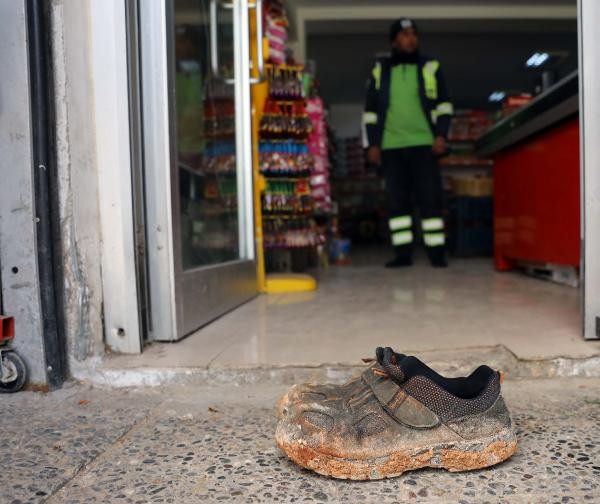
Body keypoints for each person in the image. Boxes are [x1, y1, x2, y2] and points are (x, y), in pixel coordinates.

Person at [363, 18, 453, 268]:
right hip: (390, 147)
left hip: (424, 144)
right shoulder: (380, 69)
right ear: (394, 40)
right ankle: (403, 254)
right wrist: (373, 144)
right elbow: (370, 110)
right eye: (404, 34)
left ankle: (437, 253)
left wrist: (441, 135)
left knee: (430, 200)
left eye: (414, 34)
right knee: (396, 202)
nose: (410, 38)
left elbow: (444, 105)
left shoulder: (431, 66)